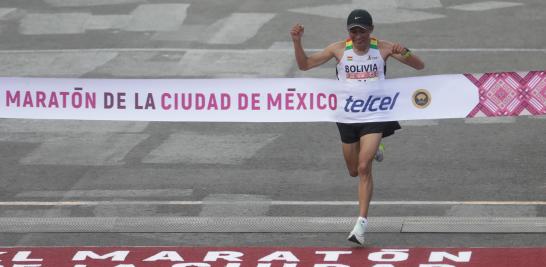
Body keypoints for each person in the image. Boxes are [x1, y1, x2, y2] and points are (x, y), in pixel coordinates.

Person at [290, 9, 425, 245]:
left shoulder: (383, 48)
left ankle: (361, 224)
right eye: (353, 31)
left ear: (370, 31)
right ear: (348, 32)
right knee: (353, 170)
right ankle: (376, 147)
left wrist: (404, 51)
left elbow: (419, 66)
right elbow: (305, 66)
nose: (358, 36)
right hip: (347, 116)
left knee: (364, 167)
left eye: (362, 31)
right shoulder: (339, 49)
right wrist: (297, 42)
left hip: (376, 114)